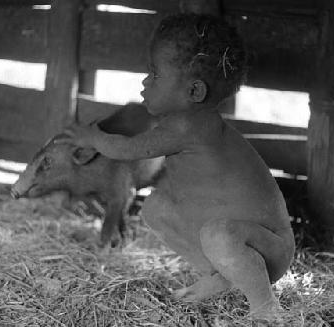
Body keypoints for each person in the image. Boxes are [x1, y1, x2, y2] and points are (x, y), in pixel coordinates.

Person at [63, 13, 295, 320]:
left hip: (268, 253)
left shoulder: (188, 127)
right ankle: (220, 276)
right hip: (240, 242)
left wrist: (93, 136)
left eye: (156, 75)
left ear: (194, 92)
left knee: (217, 234)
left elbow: (126, 150)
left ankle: (265, 307)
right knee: (155, 207)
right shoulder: (188, 123)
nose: (146, 81)